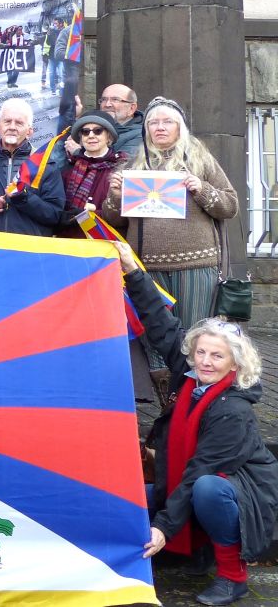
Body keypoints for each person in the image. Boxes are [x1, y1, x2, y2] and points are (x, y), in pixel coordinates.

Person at [119, 243, 278, 607]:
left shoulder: (233, 409)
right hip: (190, 479)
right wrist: (132, 270)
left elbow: (199, 473)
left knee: (207, 489)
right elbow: (161, 324)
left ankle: (232, 577)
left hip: (242, 492)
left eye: (217, 355)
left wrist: (162, 526)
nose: (206, 361)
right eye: (201, 352)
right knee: (131, 496)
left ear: (234, 364)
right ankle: (192, 549)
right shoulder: (188, 375)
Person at [104, 97, 240, 329]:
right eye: (153, 123)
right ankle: (161, 368)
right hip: (145, 267)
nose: (160, 127)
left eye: (167, 122)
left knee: (194, 334)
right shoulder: (134, 164)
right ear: (146, 129)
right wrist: (115, 196)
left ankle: (192, 369)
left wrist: (202, 189)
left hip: (196, 265)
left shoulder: (201, 160)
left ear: (180, 127)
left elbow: (230, 206)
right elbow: (113, 221)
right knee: (155, 338)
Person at [0, 98, 65, 236]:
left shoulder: (47, 165)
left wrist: (24, 198)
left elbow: (55, 216)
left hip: (29, 252)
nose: (12, 127)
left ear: (30, 131)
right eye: (7, 121)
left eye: (19, 123)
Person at [57, 113, 127, 238]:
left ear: (109, 137)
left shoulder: (122, 169)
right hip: (69, 241)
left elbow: (125, 214)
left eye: (98, 131)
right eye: (85, 132)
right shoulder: (67, 168)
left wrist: (92, 214)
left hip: (106, 242)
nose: (91, 136)